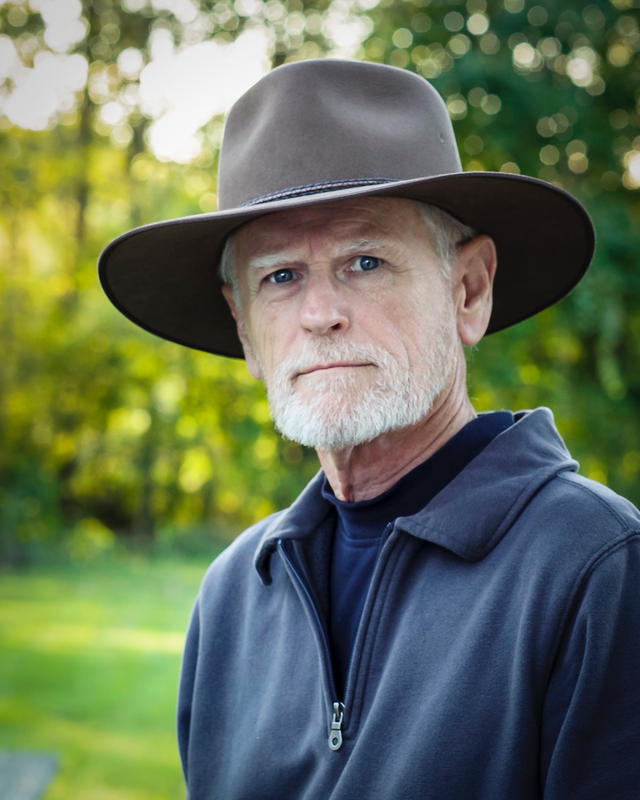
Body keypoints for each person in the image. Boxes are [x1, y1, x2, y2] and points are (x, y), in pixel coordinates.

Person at [99, 60, 640, 798]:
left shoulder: (599, 570)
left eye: (365, 261)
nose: (320, 314)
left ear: (468, 291)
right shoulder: (233, 594)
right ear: (245, 328)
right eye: (280, 278)